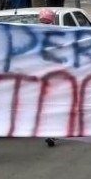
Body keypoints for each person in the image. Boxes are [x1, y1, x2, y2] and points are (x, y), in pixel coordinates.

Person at [37, 8, 59, 147]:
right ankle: (48, 132)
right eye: (42, 22)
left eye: (47, 22)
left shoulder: (59, 35)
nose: (44, 25)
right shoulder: (34, 35)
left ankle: (53, 132)